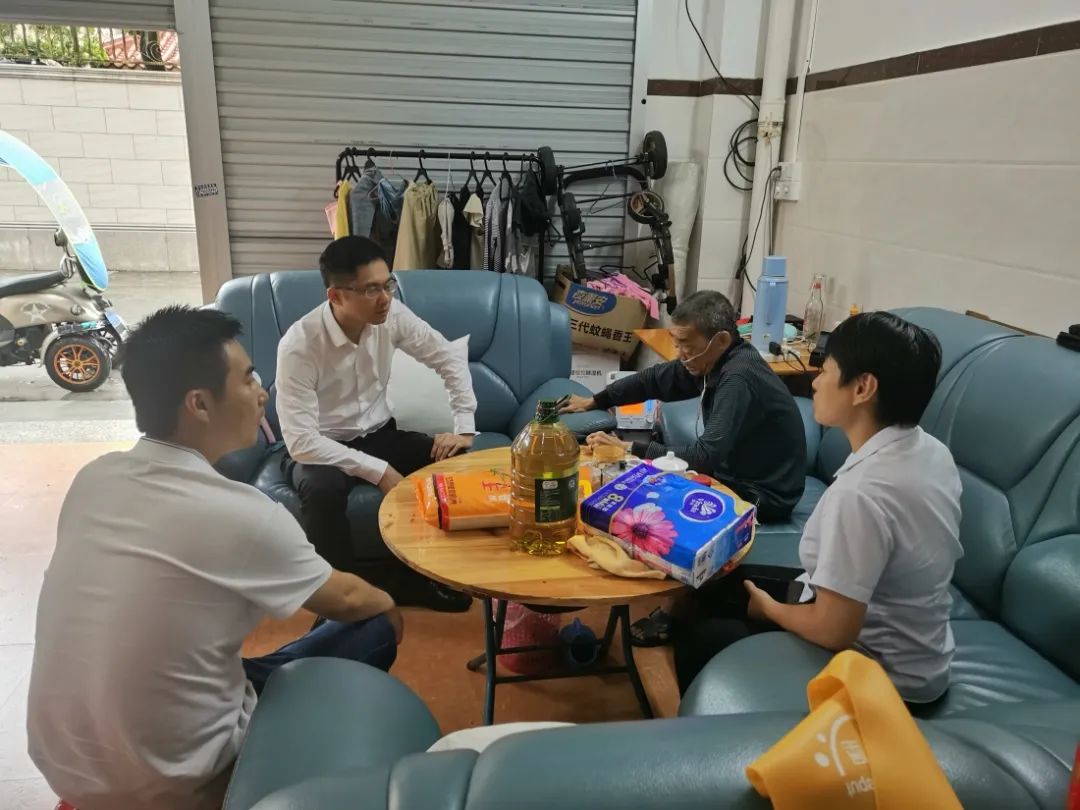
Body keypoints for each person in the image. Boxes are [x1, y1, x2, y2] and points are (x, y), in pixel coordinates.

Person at [27, 307, 403, 810]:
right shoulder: (243, 514)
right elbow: (352, 599)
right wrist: (390, 606)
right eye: (248, 379)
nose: (261, 392)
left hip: (67, 769)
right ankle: (270, 775)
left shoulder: (94, 478)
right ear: (200, 404)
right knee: (374, 624)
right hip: (183, 779)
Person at [673, 312, 963, 706]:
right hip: (920, 649)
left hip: (886, 675)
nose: (815, 382)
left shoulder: (863, 493)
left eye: (825, 370)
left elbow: (834, 630)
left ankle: (716, 735)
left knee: (701, 636)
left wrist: (770, 610)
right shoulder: (930, 450)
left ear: (862, 387)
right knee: (713, 585)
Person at [561, 290, 806, 645]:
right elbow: (657, 378)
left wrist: (630, 447)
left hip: (766, 492)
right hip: (736, 474)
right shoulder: (711, 362)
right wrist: (597, 400)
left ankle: (678, 612)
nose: (680, 354)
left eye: (686, 345)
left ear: (721, 340)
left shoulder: (738, 377)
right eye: (676, 343)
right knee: (645, 486)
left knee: (667, 504)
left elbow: (705, 455)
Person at [275, 235, 473, 612]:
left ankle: (418, 580)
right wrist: (378, 471)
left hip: (380, 434)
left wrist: (464, 427)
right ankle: (341, 602)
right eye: (371, 289)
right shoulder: (299, 345)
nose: (385, 298)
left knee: (449, 462)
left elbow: (447, 357)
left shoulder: (392, 315)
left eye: (388, 284)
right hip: (321, 447)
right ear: (336, 296)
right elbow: (301, 441)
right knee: (321, 490)